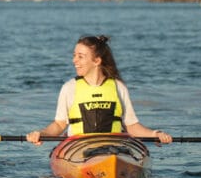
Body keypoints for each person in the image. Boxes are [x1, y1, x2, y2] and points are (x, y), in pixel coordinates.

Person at [27, 35, 173, 145]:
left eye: (80, 56)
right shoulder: (69, 88)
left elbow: (132, 126)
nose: (74, 61)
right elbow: (59, 125)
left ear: (97, 61)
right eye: (74, 56)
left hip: (114, 148)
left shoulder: (117, 87)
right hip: (79, 148)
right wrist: (41, 133)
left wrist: (156, 134)